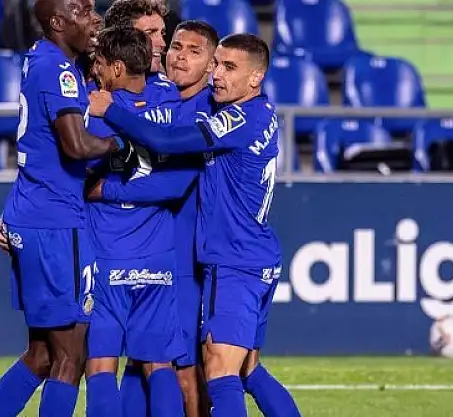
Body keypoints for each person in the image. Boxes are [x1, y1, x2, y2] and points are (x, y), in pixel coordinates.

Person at [88, 34, 302, 417]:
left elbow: (166, 140)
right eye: (217, 64)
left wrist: (111, 110)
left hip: (234, 261)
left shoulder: (239, 118)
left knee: (219, 370)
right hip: (259, 255)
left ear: (256, 77)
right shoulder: (263, 112)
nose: (217, 75)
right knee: (248, 370)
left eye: (229, 67)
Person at [0, 0, 129, 415]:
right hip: (55, 222)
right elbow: (75, 145)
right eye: (83, 11)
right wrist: (120, 145)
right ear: (58, 23)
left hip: (35, 212)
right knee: (70, 357)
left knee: (42, 355)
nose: (94, 18)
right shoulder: (58, 70)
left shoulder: (41, 58)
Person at [95, 19, 218, 417]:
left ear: (212, 64)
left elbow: (175, 182)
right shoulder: (160, 96)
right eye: (172, 44)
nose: (172, 52)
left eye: (192, 51)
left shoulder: (206, 111)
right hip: (158, 247)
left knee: (185, 369)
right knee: (143, 363)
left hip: (185, 254)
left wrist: (106, 191)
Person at [82, 26, 186, 417]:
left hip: (108, 252)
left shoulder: (98, 111)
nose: (96, 70)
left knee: (100, 363)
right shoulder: (171, 101)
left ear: (117, 67)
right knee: (159, 364)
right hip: (158, 253)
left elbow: (78, 168)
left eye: (101, 63)